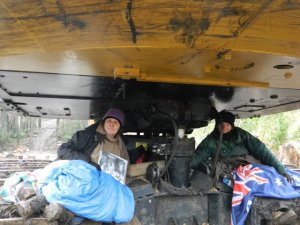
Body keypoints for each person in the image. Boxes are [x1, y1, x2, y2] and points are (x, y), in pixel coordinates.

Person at [190, 110, 292, 183]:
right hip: (227, 170)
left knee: (267, 178)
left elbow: (262, 151)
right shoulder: (210, 141)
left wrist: (281, 171)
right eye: (221, 125)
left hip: (248, 166)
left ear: (232, 126)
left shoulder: (241, 135)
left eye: (227, 125)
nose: (224, 128)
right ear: (217, 125)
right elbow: (198, 156)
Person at [57, 107, 129, 171]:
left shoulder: (120, 143)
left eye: (116, 122)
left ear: (119, 127)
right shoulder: (88, 135)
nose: (111, 124)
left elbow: (125, 164)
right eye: (109, 120)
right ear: (104, 122)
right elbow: (63, 150)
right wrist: (88, 163)